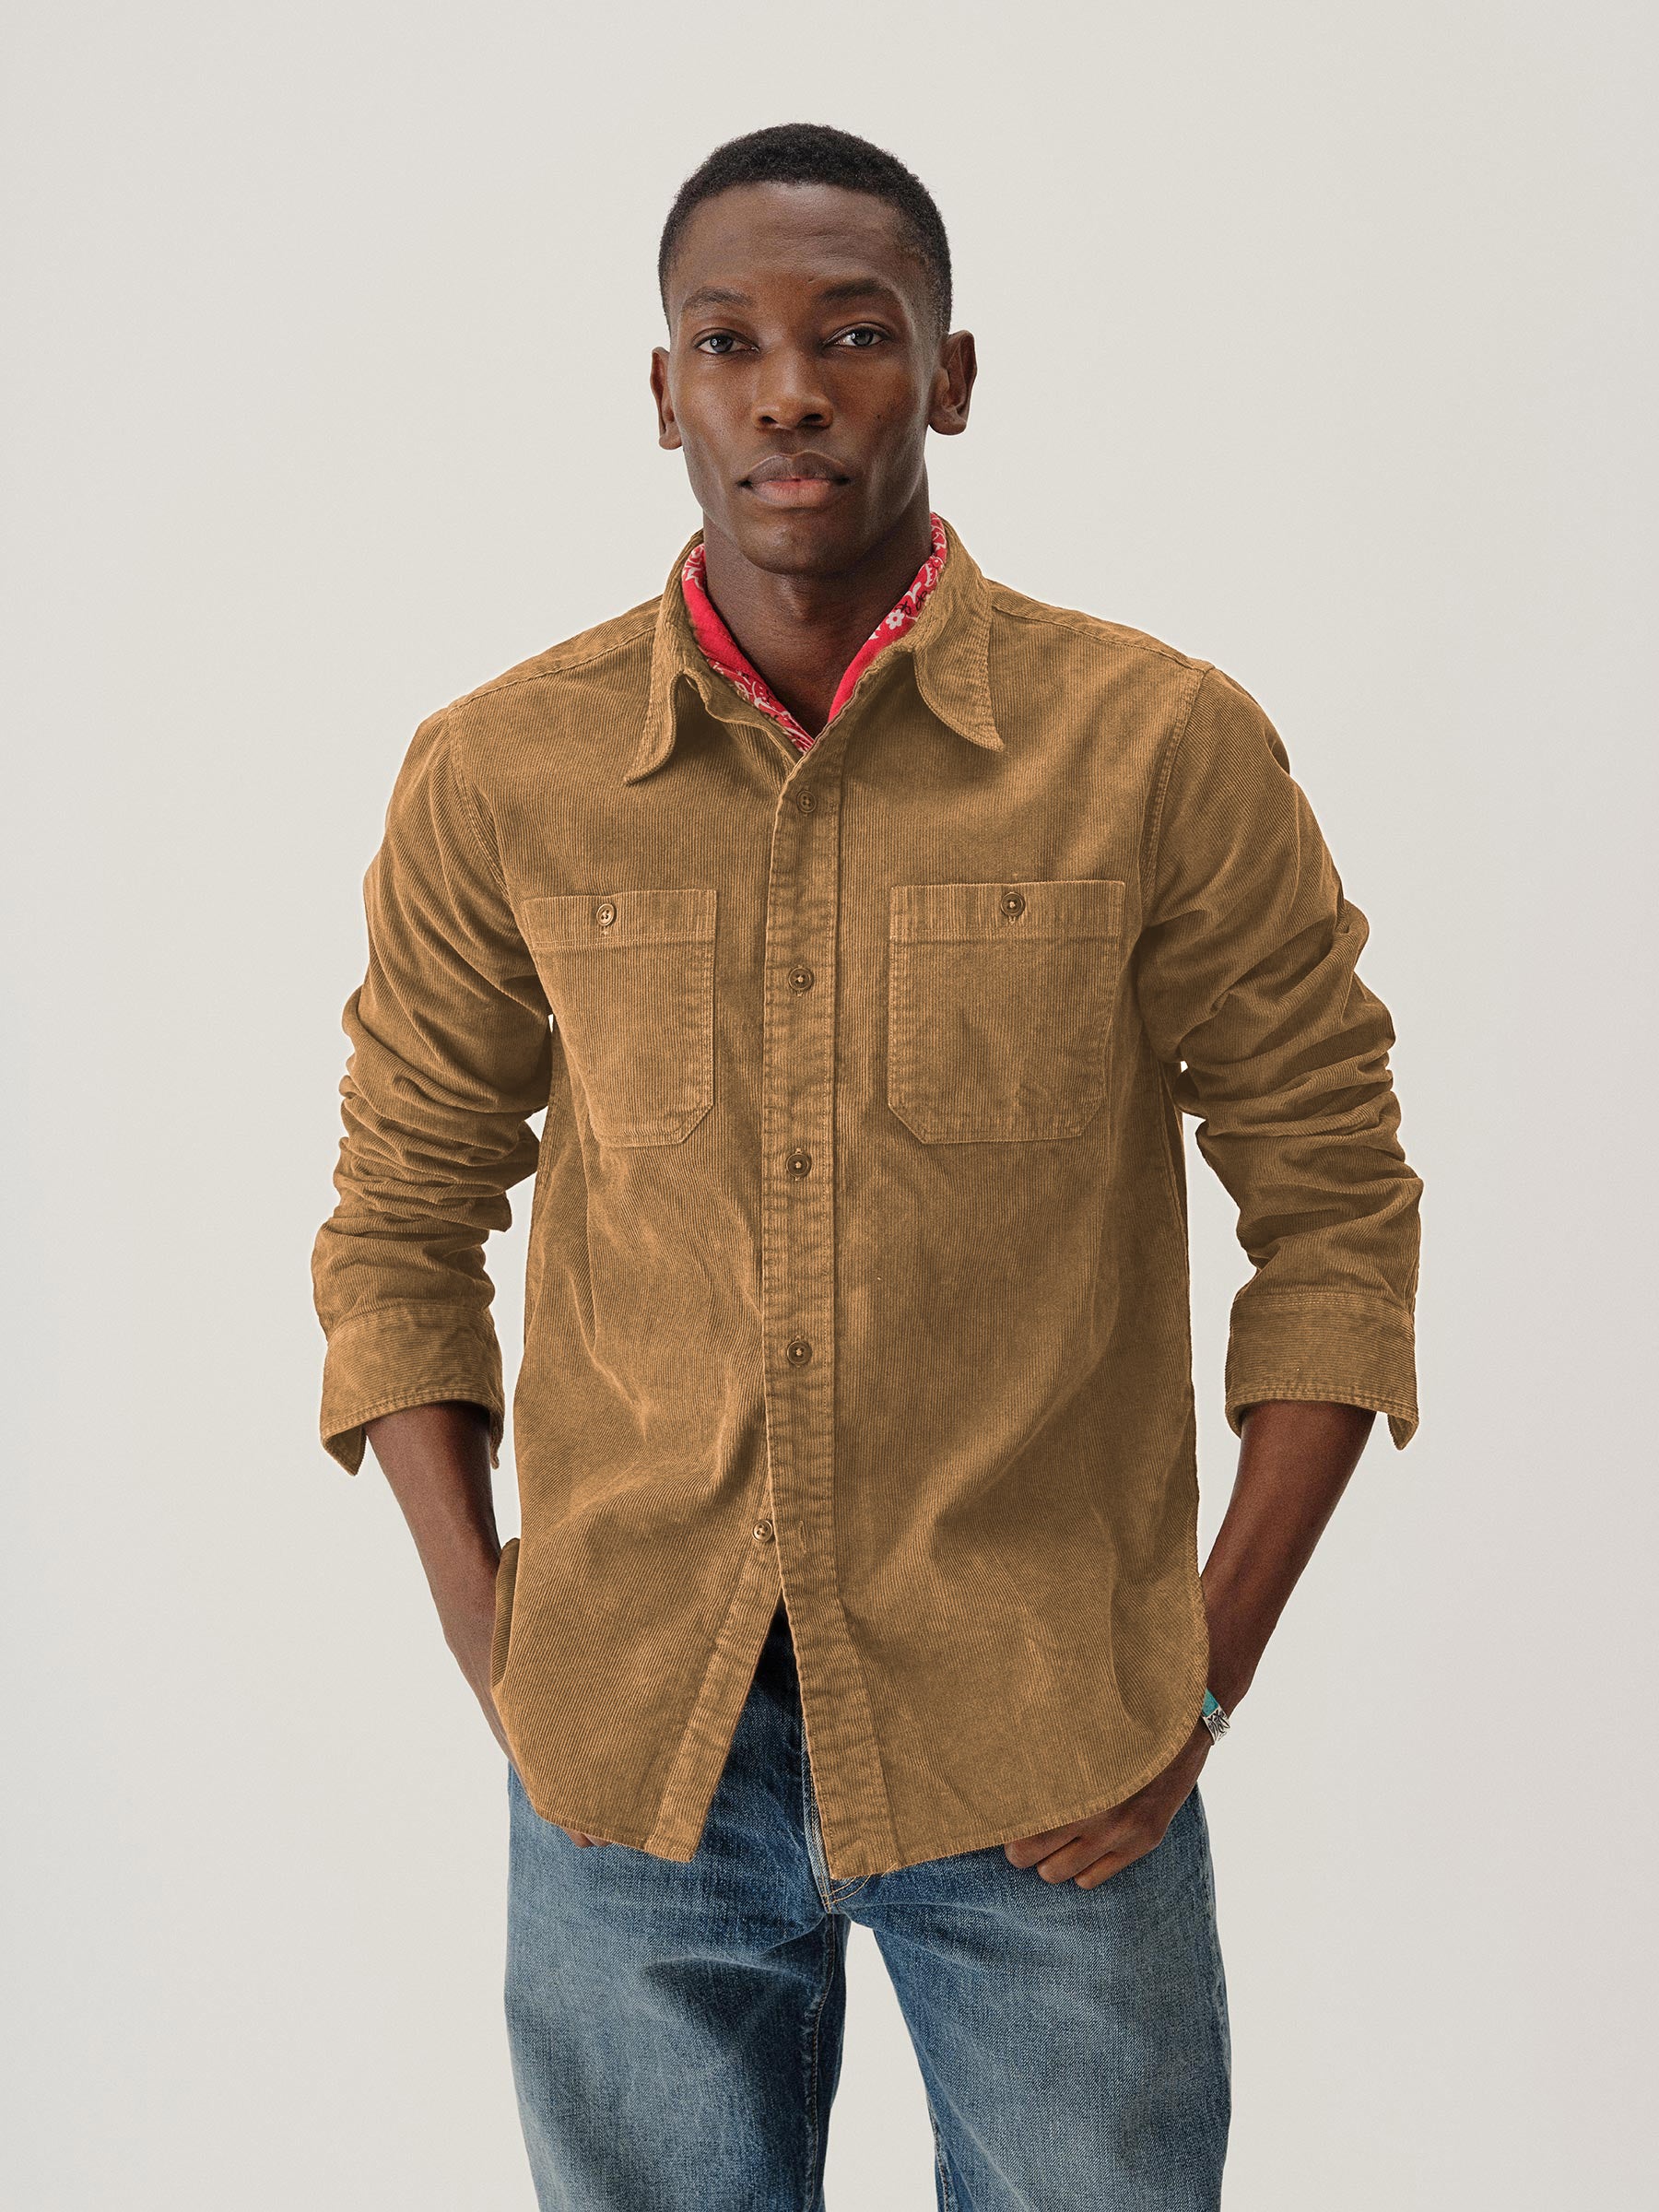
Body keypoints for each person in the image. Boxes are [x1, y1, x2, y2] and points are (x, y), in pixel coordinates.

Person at [312, 121, 1422, 2211]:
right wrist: (500, 1648)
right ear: (663, 392)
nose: (790, 391)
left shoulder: (1156, 747)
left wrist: (1204, 1672)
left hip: (1050, 1742)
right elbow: (401, 1210)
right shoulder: (503, 772)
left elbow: (1337, 1200)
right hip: (632, 1756)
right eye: (727, 341)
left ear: (952, 375)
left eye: (854, 334)